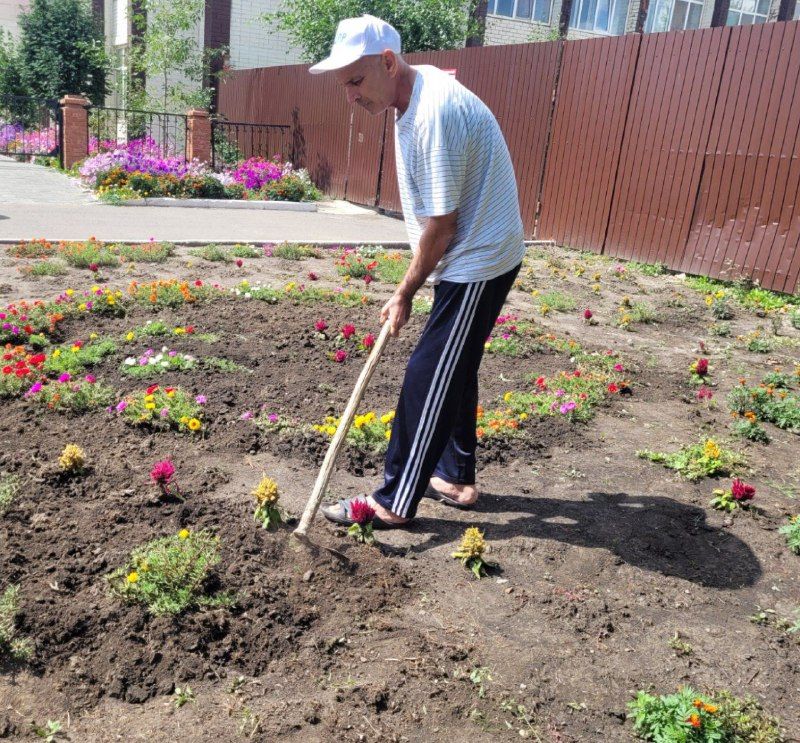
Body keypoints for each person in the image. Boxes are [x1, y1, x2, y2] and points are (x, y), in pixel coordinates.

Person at [311, 15, 525, 528]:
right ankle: (454, 477)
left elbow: (442, 225)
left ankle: (393, 501)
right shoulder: (411, 93)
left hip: (480, 255)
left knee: (427, 374)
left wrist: (405, 290)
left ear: (388, 61)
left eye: (356, 82)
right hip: (467, 250)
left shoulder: (434, 113)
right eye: (345, 86)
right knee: (455, 362)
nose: (351, 97)